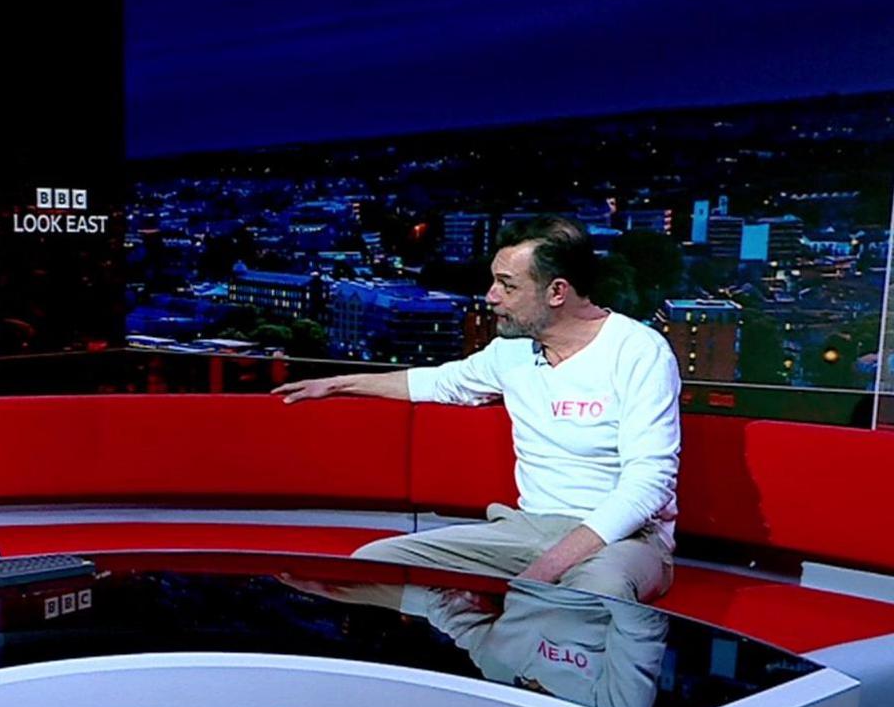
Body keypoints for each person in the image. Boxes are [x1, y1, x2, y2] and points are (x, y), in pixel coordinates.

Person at [273, 215, 679, 603]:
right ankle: (465, 620)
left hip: (624, 538)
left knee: (587, 597)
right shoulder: (510, 353)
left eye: (507, 286)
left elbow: (648, 483)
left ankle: (488, 632)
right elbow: (437, 383)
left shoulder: (638, 351)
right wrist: (337, 383)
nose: (491, 297)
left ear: (557, 292)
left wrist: (540, 573)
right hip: (527, 528)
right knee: (373, 565)